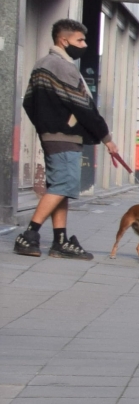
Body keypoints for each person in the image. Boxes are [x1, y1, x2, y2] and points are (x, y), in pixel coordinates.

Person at [17, 18, 106, 258]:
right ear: (63, 40)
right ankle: (29, 235)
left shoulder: (41, 65)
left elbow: (28, 102)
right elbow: (84, 107)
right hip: (64, 137)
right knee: (63, 185)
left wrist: (44, 126)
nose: (84, 44)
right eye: (80, 40)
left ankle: (60, 241)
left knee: (60, 187)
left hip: (51, 136)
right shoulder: (63, 67)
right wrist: (105, 136)